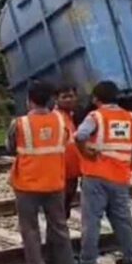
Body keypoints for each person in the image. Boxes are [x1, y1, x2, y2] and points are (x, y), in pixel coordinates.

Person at [6, 81, 78, 264]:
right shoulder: (61, 121)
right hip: (55, 182)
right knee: (60, 228)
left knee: (30, 230)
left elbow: (11, 148)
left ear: (29, 100)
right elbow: (65, 143)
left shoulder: (19, 124)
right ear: (50, 100)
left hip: (27, 184)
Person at [75, 81, 132, 264]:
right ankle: (130, 259)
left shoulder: (96, 116)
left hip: (96, 175)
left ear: (96, 98)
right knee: (123, 220)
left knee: (92, 221)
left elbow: (80, 135)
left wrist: (86, 150)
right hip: (120, 175)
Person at [55, 85, 82, 216]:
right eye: (64, 97)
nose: (68, 100)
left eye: (71, 96)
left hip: (72, 171)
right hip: (61, 171)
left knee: (65, 207)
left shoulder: (73, 116)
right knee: (61, 208)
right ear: (56, 99)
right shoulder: (55, 117)